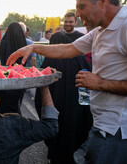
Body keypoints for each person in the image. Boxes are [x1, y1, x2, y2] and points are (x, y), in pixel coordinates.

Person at [7, 0, 127, 163]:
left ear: (103, 1)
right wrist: (34, 48)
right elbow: (68, 49)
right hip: (102, 127)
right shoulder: (100, 31)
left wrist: (99, 84)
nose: (78, 14)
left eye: (82, 7)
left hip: (117, 131)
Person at [35, 32, 92, 164]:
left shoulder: (50, 60)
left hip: (55, 108)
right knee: (73, 134)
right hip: (76, 108)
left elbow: (40, 87)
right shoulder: (81, 59)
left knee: (57, 138)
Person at [0, 22, 27, 114]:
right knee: (15, 105)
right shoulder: (24, 45)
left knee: (0, 106)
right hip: (19, 82)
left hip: (1, 82)